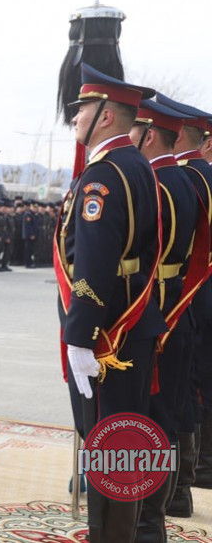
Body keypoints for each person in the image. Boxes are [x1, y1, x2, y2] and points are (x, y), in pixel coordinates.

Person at [55, 64, 166, 542]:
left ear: (104, 115)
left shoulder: (103, 175)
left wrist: (80, 336)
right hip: (130, 318)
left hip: (108, 332)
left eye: (82, 109)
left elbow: (95, 264)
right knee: (124, 440)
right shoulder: (135, 164)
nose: (76, 117)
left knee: (108, 443)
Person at [130, 99, 201, 540]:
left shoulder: (157, 183)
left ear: (149, 135)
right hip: (180, 305)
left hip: (156, 310)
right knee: (167, 416)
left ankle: (145, 521)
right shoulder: (186, 180)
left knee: (150, 417)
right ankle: (167, 505)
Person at [158, 92, 212, 517]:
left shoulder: (185, 178)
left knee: (178, 390)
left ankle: (179, 485)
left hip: (187, 291)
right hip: (199, 290)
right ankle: (191, 475)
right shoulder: (202, 175)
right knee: (192, 386)